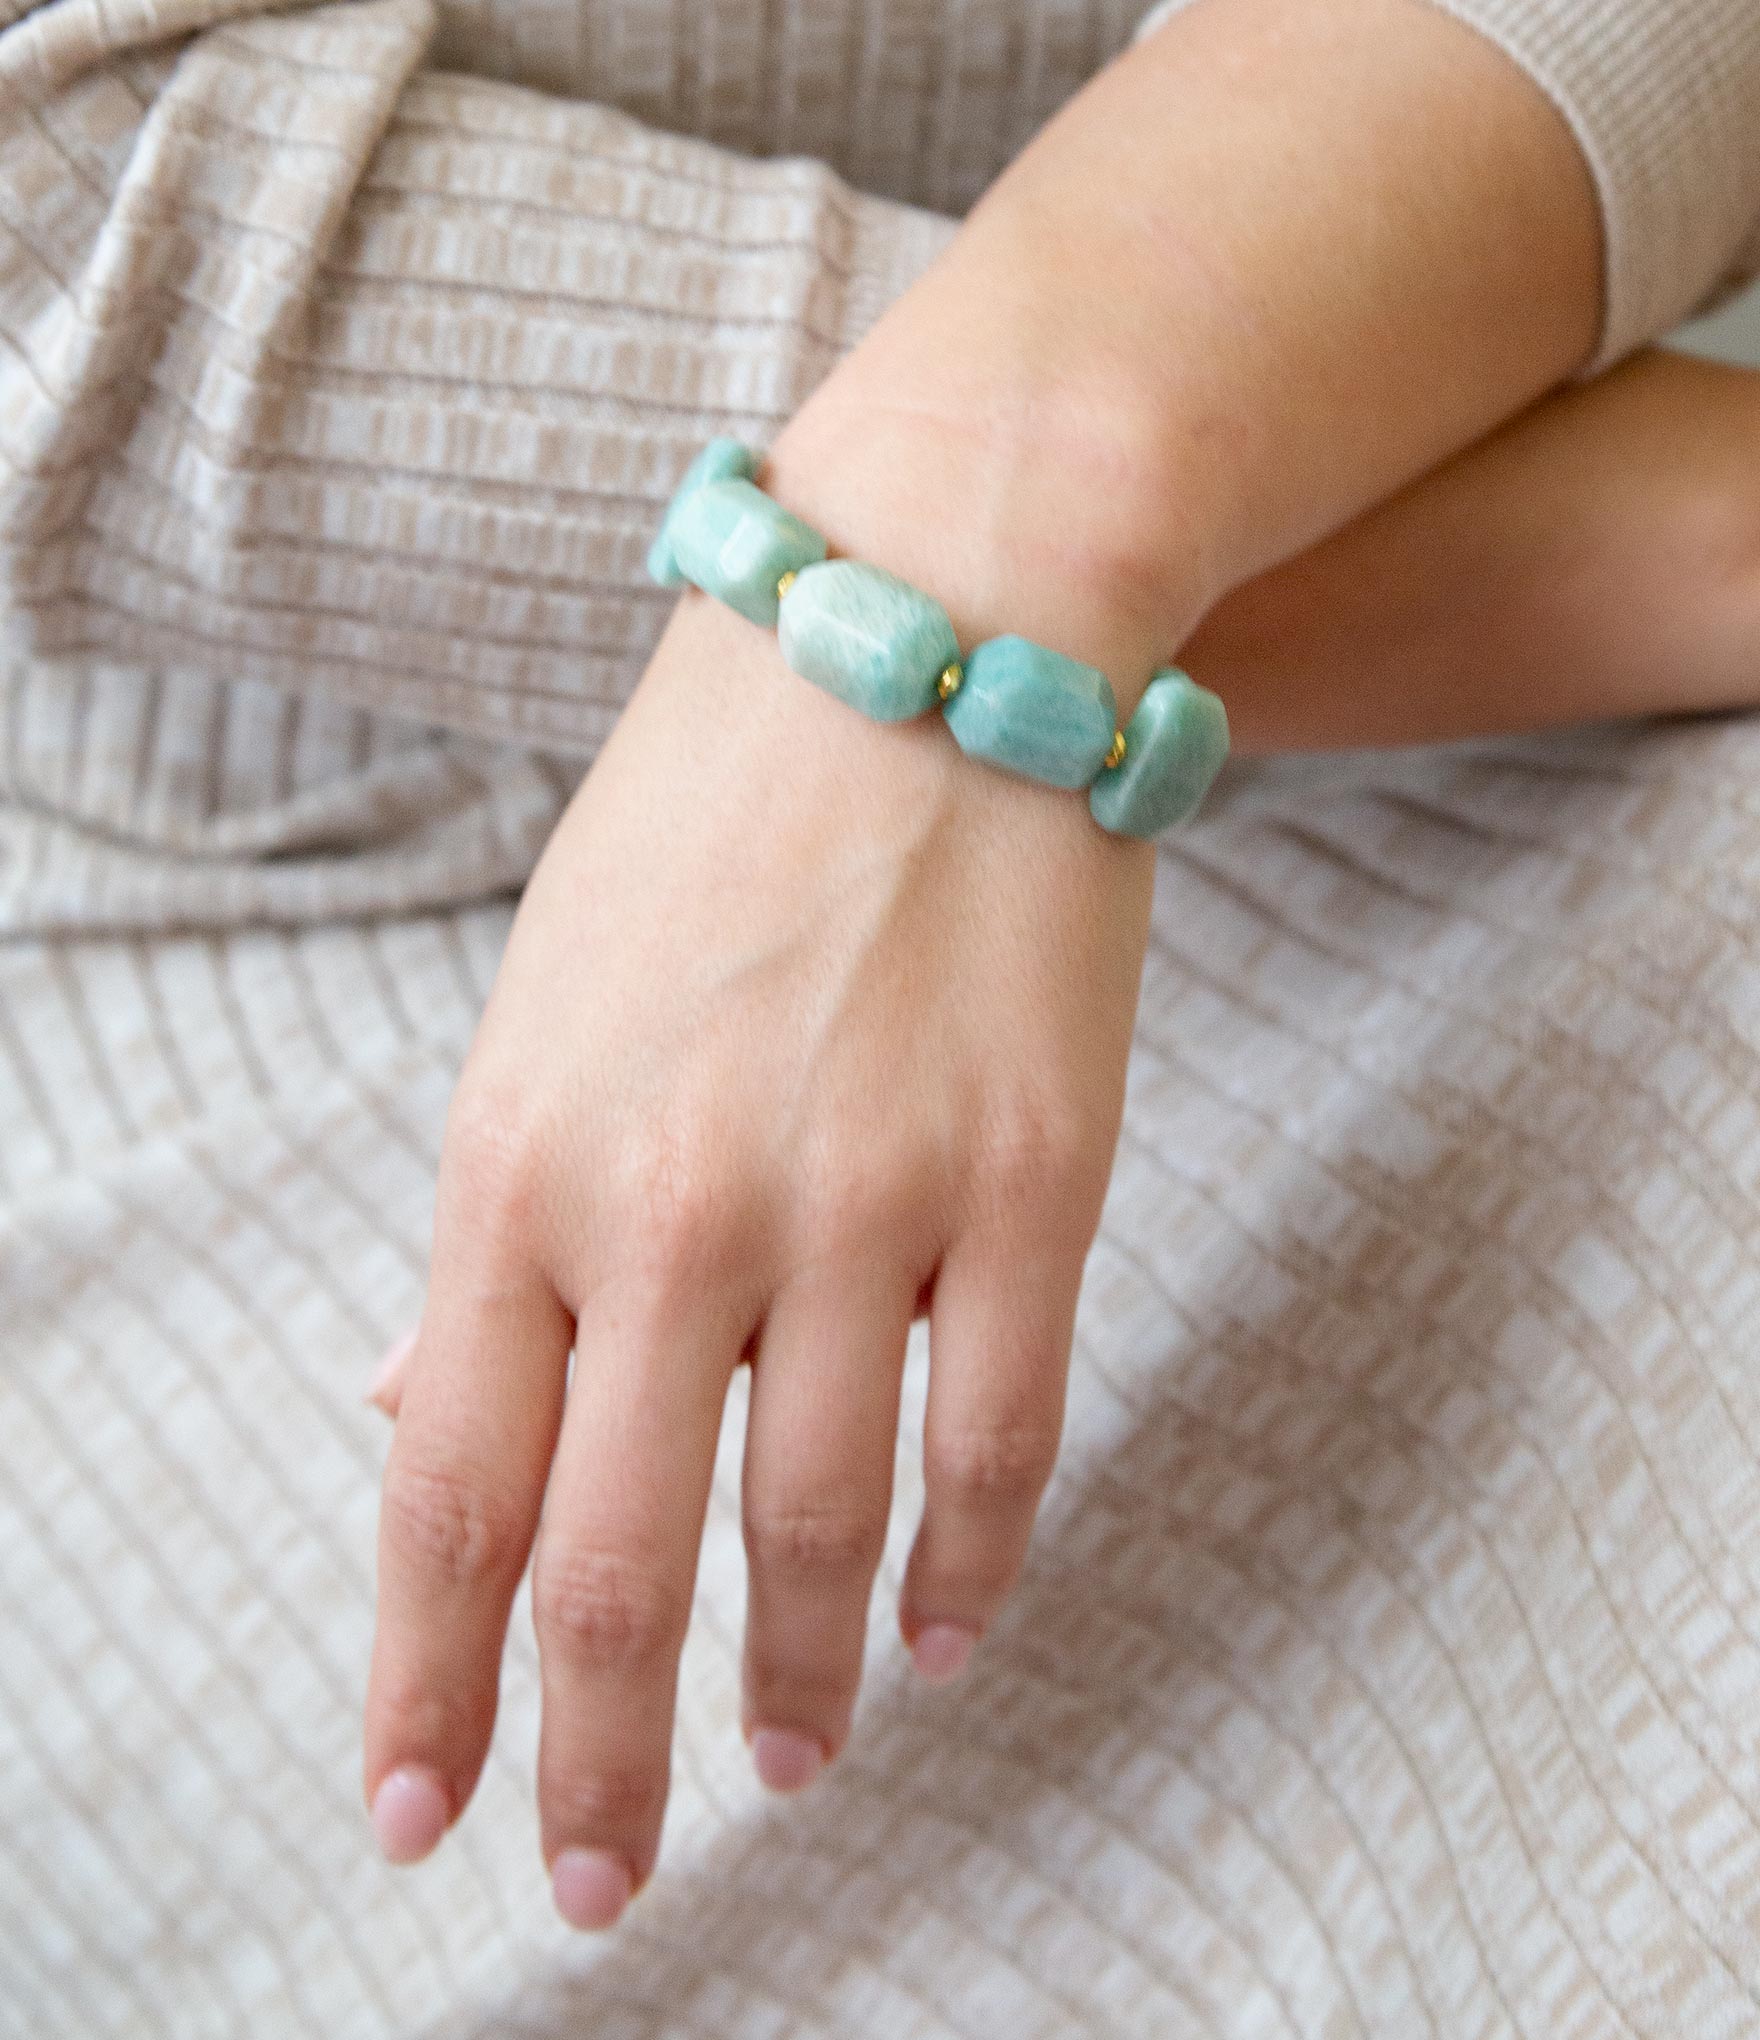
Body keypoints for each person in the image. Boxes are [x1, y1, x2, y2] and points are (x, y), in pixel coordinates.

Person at [8, 0, 1760, 2020]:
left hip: (1240, 543)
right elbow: (68, 227)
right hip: (255, 903)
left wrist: (1056, 459)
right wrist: (1672, 531)